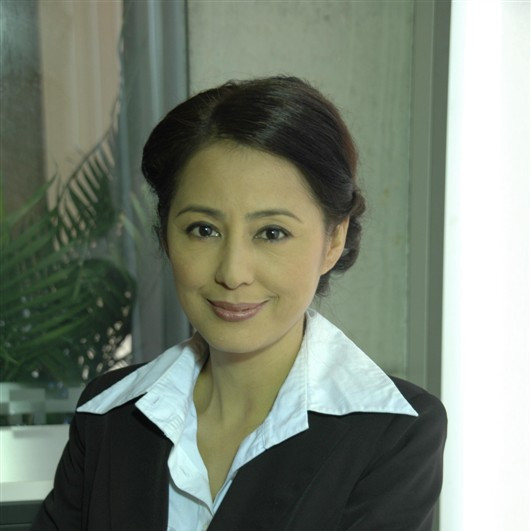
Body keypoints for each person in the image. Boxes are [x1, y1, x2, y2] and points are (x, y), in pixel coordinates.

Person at [32, 76, 446, 531]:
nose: (232, 272)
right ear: (166, 235)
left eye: (272, 233)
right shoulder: (108, 413)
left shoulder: (394, 434)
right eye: (203, 230)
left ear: (333, 240)